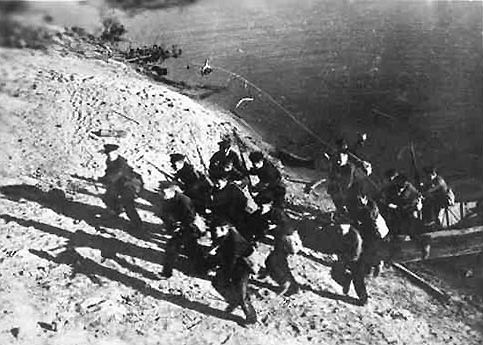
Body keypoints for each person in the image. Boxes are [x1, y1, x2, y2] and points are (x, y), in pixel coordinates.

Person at [209, 219, 257, 324]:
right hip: (232, 262)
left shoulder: (234, 243)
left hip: (242, 268)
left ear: (224, 229)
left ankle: (251, 318)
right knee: (217, 283)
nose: (213, 233)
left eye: (215, 230)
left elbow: (230, 263)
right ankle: (233, 300)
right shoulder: (225, 234)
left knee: (242, 296)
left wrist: (224, 275)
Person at [159, 183, 206, 278]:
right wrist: (170, 226)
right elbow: (164, 214)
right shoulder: (166, 199)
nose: (162, 194)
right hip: (180, 227)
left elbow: (191, 218)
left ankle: (199, 269)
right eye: (161, 192)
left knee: (187, 249)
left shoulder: (184, 201)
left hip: (191, 228)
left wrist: (179, 226)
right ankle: (166, 273)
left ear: (172, 191)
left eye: (164, 192)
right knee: (176, 248)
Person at [99, 144, 143, 232]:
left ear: (116, 153)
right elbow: (109, 172)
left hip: (129, 185)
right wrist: (105, 178)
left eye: (110, 153)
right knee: (108, 198)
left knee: (128, 205)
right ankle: (117, 210)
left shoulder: (121, 163)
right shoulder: (109, 160)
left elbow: (116, 175)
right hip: (118, 184)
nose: (109, 155)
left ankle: (137, 224)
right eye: (107, 153)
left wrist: (104, 180)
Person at [262, 206, 301, 295]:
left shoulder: (282, 223)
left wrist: (266, 230)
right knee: (281, 264)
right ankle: (294, 287)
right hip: (288, 243)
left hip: (287, 244)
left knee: (272, 262)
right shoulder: (281, 216)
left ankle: (285, 284)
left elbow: (274, 230)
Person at [332, 223, 369, 305]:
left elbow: (355, 253)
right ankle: (346, 280)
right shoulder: (349, 232)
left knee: (357, 278)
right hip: (353, 255)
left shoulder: (354, 234)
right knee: (336, 272)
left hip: (356, 257)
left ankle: (363, 298)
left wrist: (345, 259)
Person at [327, 149, 356, 215]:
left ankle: (346, 212)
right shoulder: (335, 164)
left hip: (347, 189)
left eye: (340, 160)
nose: (338, 161)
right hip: (337, 185)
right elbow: (331, 175)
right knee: (334, 192)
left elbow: (348, 183)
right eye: (337, 159)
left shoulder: (349, 168)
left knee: (341, 195)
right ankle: (340, 210)